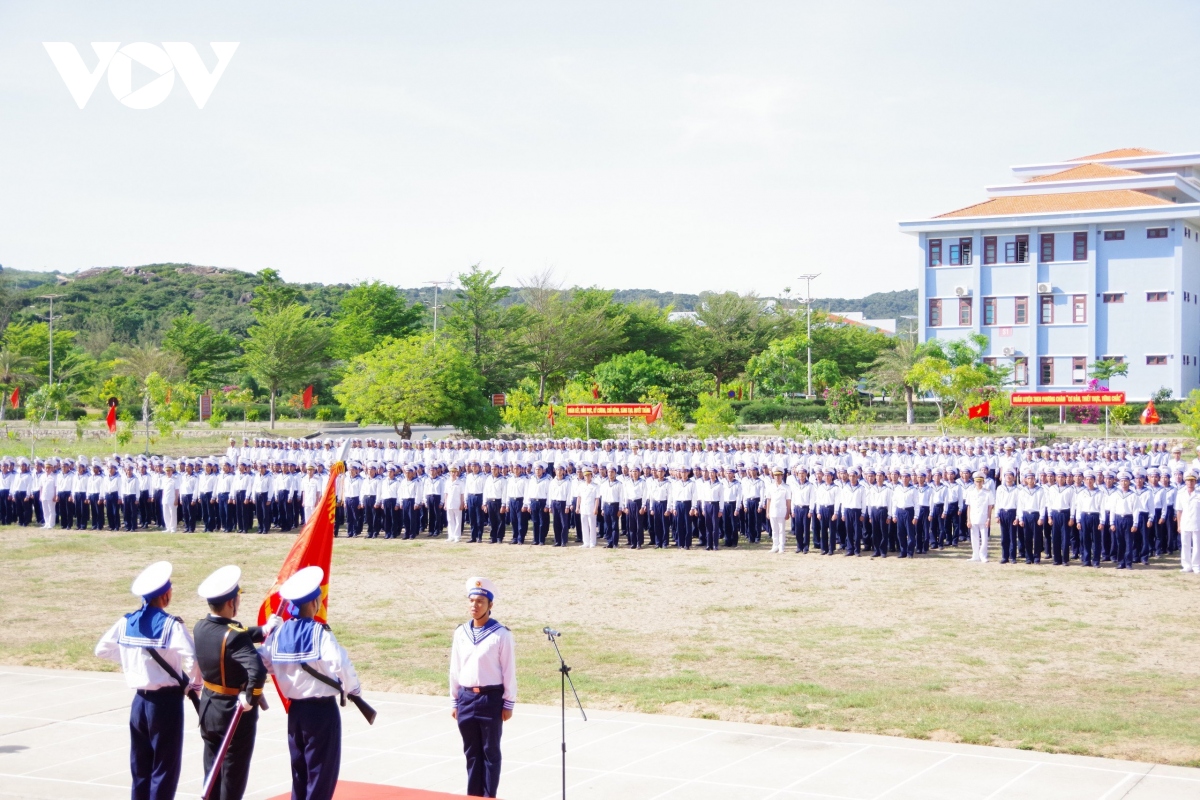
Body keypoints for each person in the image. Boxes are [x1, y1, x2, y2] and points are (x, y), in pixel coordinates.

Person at [95, 561, 201, 800]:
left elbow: (101, 650)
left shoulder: (127, 621)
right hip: (165, 703)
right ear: (165, 596)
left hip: (139, 702)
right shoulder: (170, 624)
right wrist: (195, 685)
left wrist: (134, 663)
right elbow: (192, 658)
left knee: (140, 767)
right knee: (164, 768)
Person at [260, 567, 363, 800]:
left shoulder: (279, 633)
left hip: (295, 711)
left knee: (300, 774)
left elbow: (264, 662)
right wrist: (353, 688)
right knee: (320, 776)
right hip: (321, 712)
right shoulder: (319, 632)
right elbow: (340, 663)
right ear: (315, 603)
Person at [194, 565, 276, 800]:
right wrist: (251, 698)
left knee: (212, 773)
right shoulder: (234, 634)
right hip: (234, 712)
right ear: (231, 603)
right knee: (233, 775)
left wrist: (265, 630)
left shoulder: (201, 626)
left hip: (209, 708)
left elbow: (233, 635)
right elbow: (257, 671)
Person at [449, 577, 517, 798]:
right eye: (471, 601)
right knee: (471, 753)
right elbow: (455, 668)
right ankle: (473, 795)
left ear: (490, 605)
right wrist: (454, 700)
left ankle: (489, 796)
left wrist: (508, 702)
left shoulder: (501, 634)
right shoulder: (461, 633)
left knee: (490, 753)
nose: (474, 605)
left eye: (480, 601)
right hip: (466, 698)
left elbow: (509, 671)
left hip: (490, 698)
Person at [964, 470, 995, 563]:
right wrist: (968, 520)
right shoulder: (970, 492)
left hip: (983, 517)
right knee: (974, 537)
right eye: (977, 481)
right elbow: (969, 506)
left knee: (984, 538)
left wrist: (989, 518)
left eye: (980, 481)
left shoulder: (987, 492)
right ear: (974, 481)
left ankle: (983, 555)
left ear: (983, 481)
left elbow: (990, 507)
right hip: (973, 517)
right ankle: (975, 555)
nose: (978, 483)